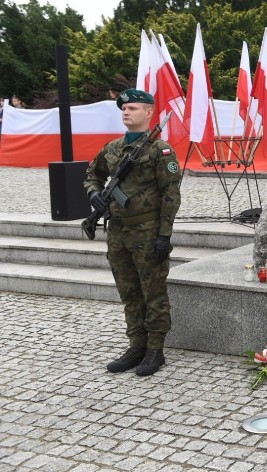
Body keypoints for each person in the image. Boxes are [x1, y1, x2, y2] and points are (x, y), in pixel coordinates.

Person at [84, 89, 182, 377]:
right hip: (117, 232)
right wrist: (94, 196)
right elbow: (92, 174)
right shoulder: (112, 148)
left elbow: (171, 195)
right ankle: (136, 345)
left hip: (147, 231)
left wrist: (164, 235)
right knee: (129, 292)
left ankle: (155, 350)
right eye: (124, 108)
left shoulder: (159, 150)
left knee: (153, 291)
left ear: (149, 112)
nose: (126, 112)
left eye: (133, 108)